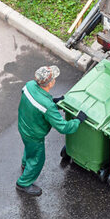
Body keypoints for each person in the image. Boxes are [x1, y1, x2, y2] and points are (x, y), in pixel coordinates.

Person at [16, 65, 87, 196]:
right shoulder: (47, 106)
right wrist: (78, 120)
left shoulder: (29, 85)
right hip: (34, 134)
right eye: (54, 78)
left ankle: (25, 165)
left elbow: (35, 103)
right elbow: (64, 127)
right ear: (50, 83)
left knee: (29, 148)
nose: (55, 80)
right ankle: (23, 183)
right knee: (37, 159)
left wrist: (53, 101)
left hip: (23, 125)